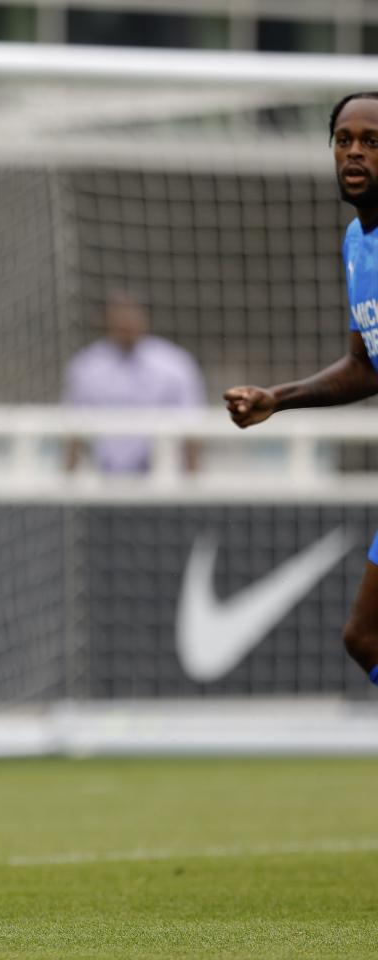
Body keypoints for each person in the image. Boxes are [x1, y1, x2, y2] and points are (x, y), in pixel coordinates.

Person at [225, 91, 378, 688]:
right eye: (345, 140)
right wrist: (277, 399)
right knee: (364, 638)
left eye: (372, 141)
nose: (355, 152)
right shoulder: (356, 243)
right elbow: (364, 365)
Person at [63, 291, 205, 473]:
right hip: (104, 473)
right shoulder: (87, 367)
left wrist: (192, 484)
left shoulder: (174, 365)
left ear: (144, 318)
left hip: (160, 475)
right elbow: (72, 428)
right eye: (118, 318)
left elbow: (191, 425)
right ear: (107, 321)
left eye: (130, 316)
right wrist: (68, 483)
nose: (125, 323)